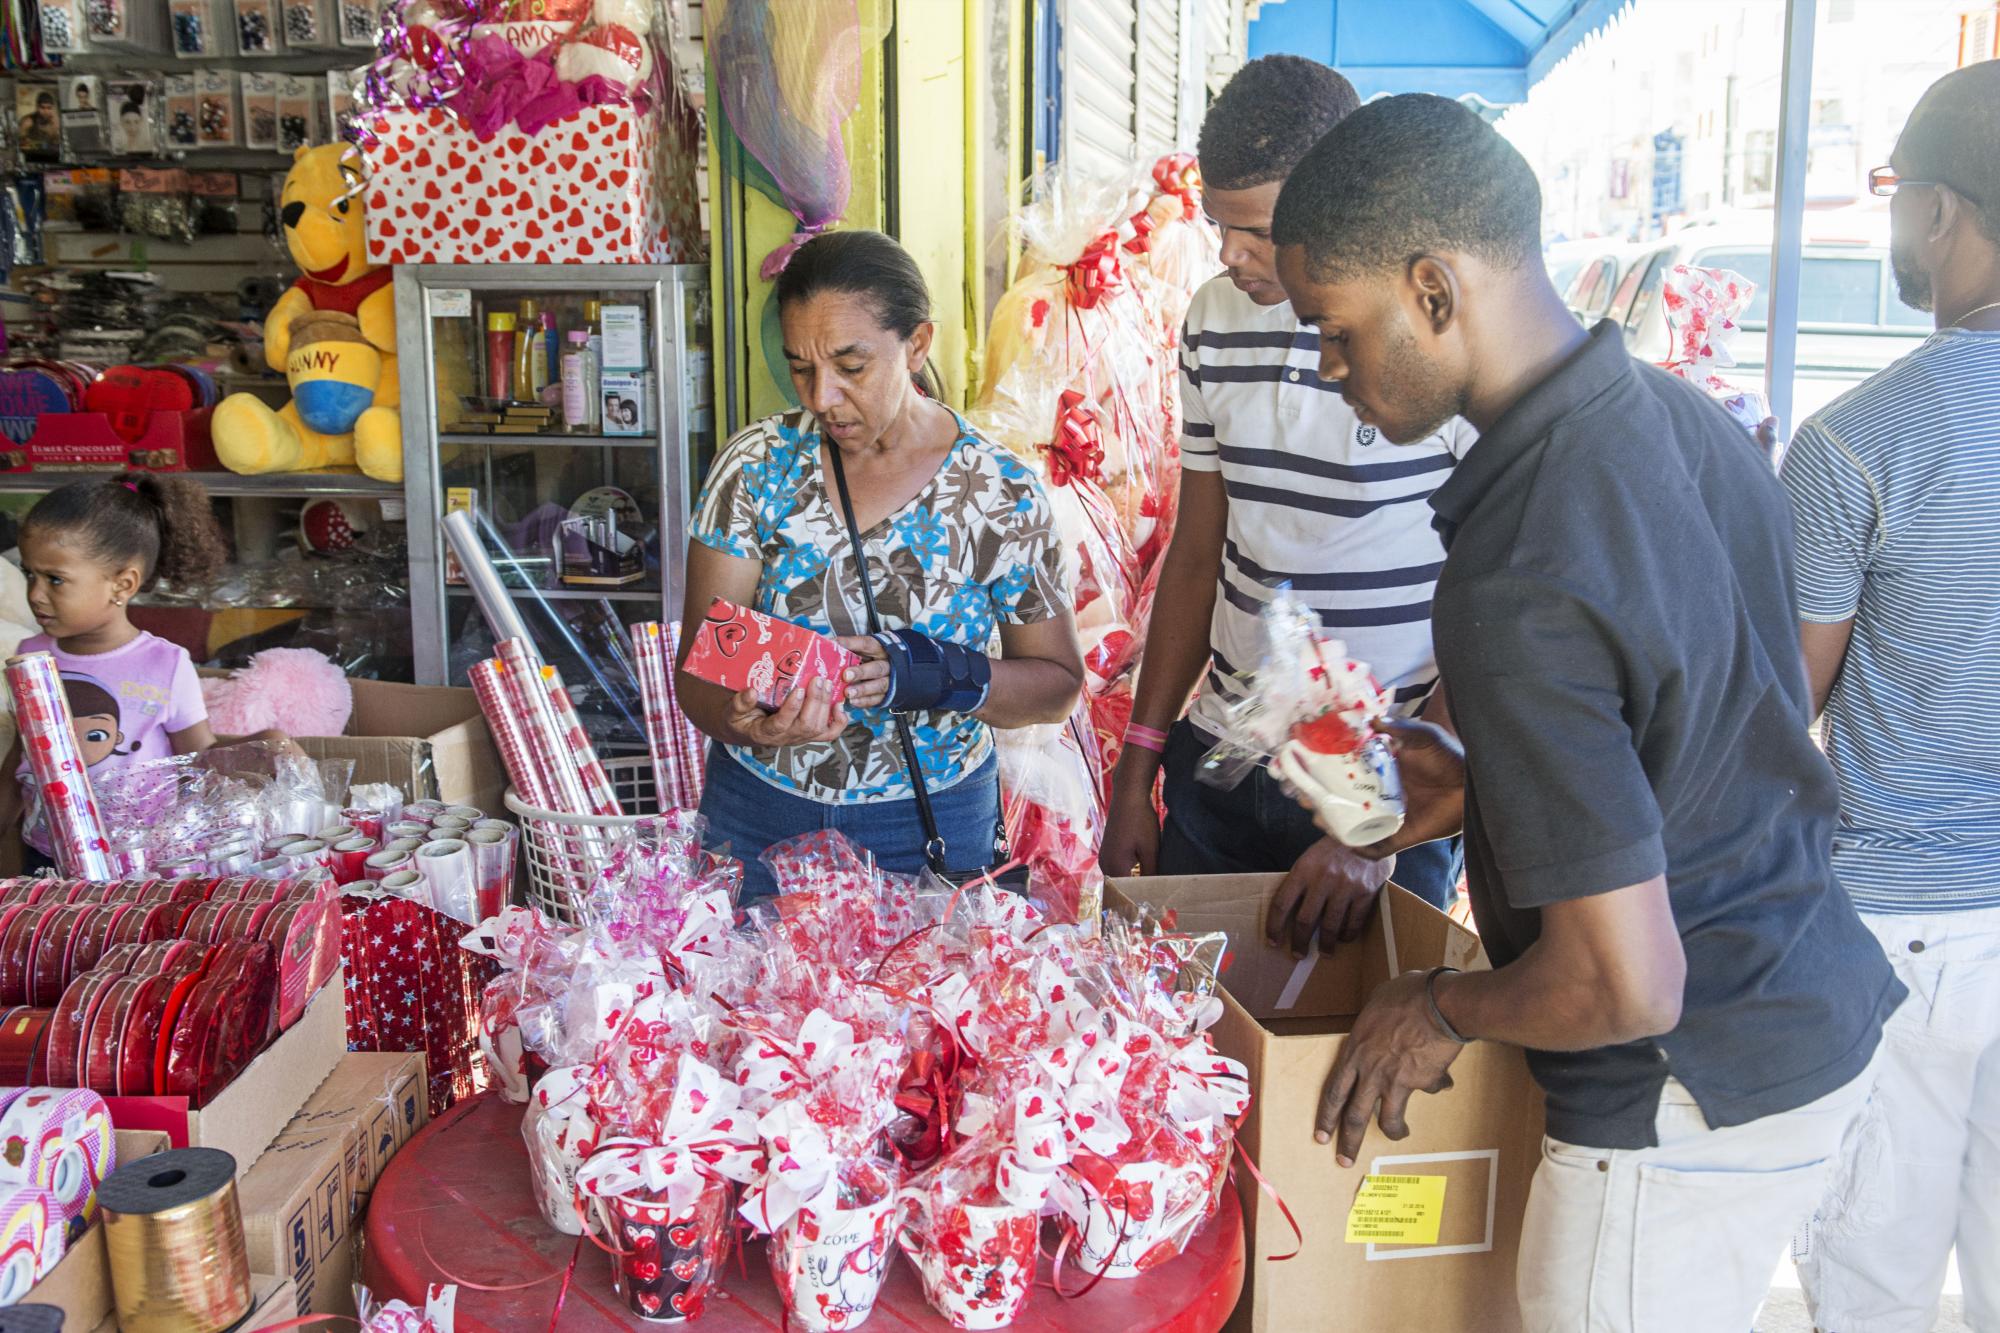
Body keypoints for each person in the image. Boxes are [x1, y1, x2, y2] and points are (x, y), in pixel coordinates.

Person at [1268, 94, 1904, 1332]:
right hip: (1801, 995)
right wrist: (1450, 789)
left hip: (1680, 1098)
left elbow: (1624, 983)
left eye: (1334, 332)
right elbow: (1690, 736)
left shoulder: (1517, 568)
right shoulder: (1677, 419)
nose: (1330, 373)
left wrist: (1436, 1007)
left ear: (1433, 289)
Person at [1096, 54, 1470, 937]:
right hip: (1225, 763)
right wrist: (1139, 759)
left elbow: (1500, 610)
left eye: (1256, 230)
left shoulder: (1434, 336)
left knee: (1351, 1063)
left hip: (1382, 779)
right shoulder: (1213, 320)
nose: (1231, 255)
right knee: (1186, 1052)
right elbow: (1199, 551)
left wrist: (1378, 829)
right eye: (1218, 225)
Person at [1779, 62, 2000, 1333]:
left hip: (1897, 932)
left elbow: (1783, 702)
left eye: (1894, 196)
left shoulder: (1859, 439)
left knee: (1871, 1287)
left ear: (1940, 213)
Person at [677, 229, 1083, 899]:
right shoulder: (755, 468)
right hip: (758, 816)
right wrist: (742, 720)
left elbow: (1057, 682)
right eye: (801, 367)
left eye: (850, 365)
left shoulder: (997, 491)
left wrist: (940, 675)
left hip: (929, 825)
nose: (821, 397)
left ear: (918, 344)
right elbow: (700, 666)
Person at [0, 474, 249, 870]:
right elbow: (21, 759)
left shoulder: (165, 664)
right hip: (48, 857)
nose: (34, 594)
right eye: (30, 573)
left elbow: (199, 758)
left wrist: (264, 745)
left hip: (141, 863)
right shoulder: (32, 657)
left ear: (123, 583)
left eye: (55, 579)